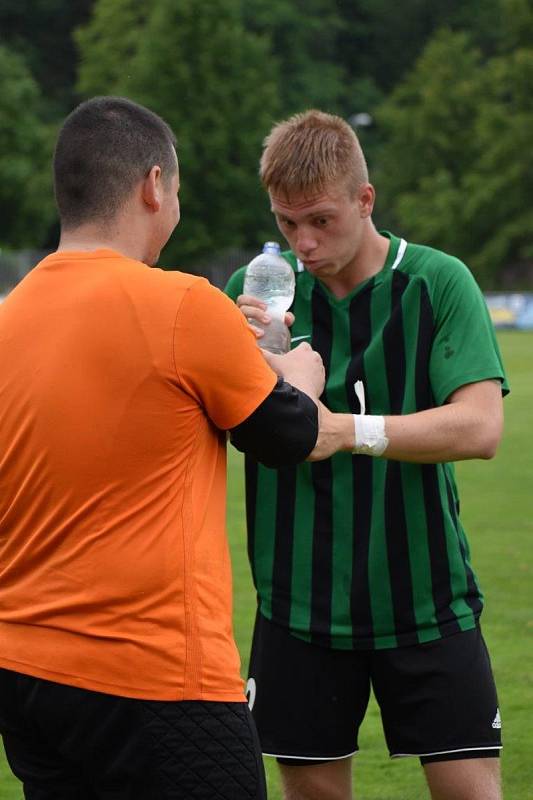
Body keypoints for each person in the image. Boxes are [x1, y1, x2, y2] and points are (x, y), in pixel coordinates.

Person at [0, 97, 336, 800]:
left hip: (25, 672)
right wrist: (299, 378)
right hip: (153, 671)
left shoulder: (9, 317)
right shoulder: (183, 303)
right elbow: (289, 435)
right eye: (175, 191)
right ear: (154, 186)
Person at [225, 109, 508, 800]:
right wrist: (250, 365)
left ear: (364, 199)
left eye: (320, 219)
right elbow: (224, 430)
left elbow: (478, 428)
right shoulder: (258, 296)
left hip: (426, 597)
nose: (304, 242)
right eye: (287, 224)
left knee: (469, 790)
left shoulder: (438, 282)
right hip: (298, 605)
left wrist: (346, 430)